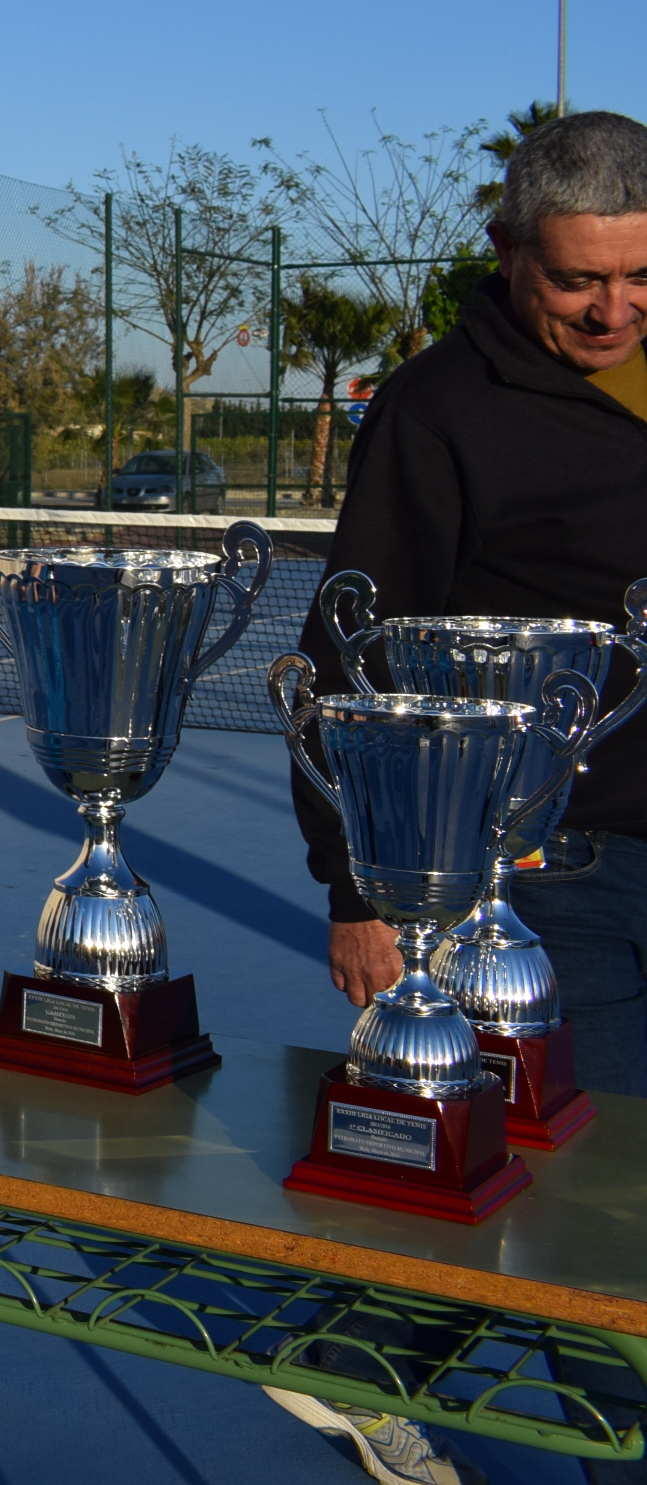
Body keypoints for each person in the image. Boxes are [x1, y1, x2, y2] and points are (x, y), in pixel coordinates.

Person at [270, 108, 647, 1485]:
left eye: (642, 276)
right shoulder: (436, 411)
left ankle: (364, 1358)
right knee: (604, 1210)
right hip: (548, 879)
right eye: (579, 279)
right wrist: (357, 885)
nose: (615, 309)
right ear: (508, 253)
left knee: (569, 1180)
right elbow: (351, 653)